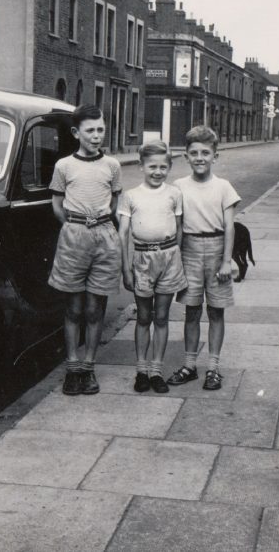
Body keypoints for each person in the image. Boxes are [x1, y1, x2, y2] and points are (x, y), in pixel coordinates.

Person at [48, 104, 122, 396]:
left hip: (104, 235)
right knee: (74, 307)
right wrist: (75, 227)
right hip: (74, 236)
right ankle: (72, 367)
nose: (96, 136)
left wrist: (100, 224)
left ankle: (89, 368)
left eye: (100, 129)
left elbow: (115, 202)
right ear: (76, 133)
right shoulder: (64, 166)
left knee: (94, 308)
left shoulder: (112, 166)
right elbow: (56, 204)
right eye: (90, 130)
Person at [167, 126, 241, 390]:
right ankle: (189, 365)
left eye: (205, 153)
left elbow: (230, 226)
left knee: (216, 311)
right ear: (186, 156)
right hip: (189, 250)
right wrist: (175, 258)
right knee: (191, 310)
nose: (200, 157)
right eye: (194, 153)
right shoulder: (178, 187)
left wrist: (225, 260)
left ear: (215, 156)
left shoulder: (223, 187)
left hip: (217, 248)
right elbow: (175, 225)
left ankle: (213, 367)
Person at [118, 141, 187, 393]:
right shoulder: (131, 195)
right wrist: (126, 268)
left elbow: (179, 228)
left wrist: (175, 254)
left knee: (161, 316)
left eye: (163, 167)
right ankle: (141, 370)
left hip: (168, 258)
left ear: (169, 167)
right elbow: (123, 233)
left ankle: (157, 370)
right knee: (144, 316)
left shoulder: (174, 194)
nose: (157, 172)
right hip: (142, 260)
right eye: (152, 167)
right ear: (141, 166)